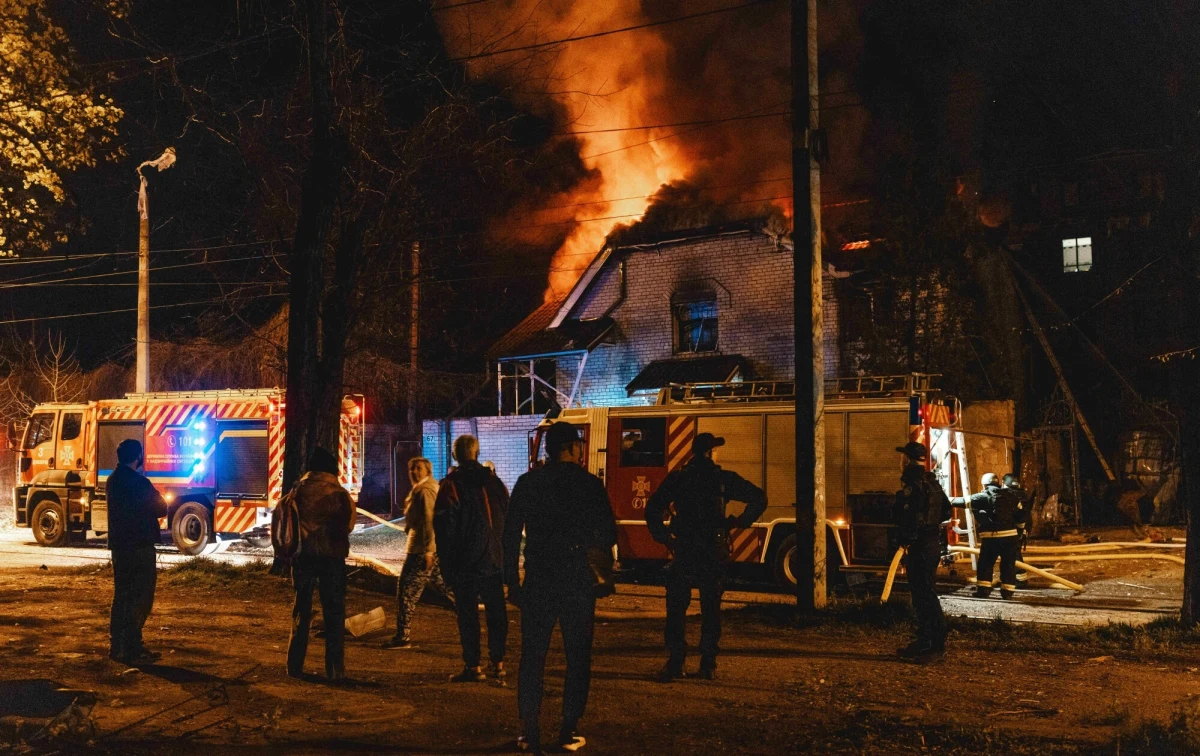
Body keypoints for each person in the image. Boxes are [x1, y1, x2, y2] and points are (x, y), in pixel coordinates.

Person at [505, 421, 617, 754]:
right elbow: (608, 534)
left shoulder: (528, 483)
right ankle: (568, 731)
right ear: (570, 448)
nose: (582, 450)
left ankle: (529, 730)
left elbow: (510, 536)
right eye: (579, 445)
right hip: (577, 579)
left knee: (533, 657)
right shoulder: (589, 485)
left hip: (539, 577)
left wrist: (511, 582)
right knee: (578, 657)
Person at [645, 432, 766, 683]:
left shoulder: (679, 478)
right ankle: (708, 664)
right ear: (711, 453)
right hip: (713, 549)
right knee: (711, 608)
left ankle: (676, 662)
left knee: (677, 607)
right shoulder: (722, 479)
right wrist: (740, 521)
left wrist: (666, 538)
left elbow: (652, 509)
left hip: (685, 549)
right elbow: (759, 497)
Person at [434, 434, 510, 683]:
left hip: (465, 562)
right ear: (477, 453)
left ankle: (473, 666)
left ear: (456, 455)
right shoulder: (495, 483)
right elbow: (507, 519)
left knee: (468, 615)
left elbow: (445, 527)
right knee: (496, 613)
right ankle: (498, 663)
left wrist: (446, 564)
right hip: (493, 559)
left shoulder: (451, 485)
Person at [287, 447, 356, 682]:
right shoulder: (339, 494)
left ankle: (294, 665)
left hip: (303, 557)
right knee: (334, 613)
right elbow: (348, 526)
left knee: (302, 610)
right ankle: (335, 669)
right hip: (332, 558)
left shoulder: (297, 491)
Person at [106, 438, 168, 666]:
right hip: (140, 548)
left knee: (121, 595)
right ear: (137, 457)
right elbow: (162, 507)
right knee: (140, 598)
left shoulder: (112, 481)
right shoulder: (141, 484)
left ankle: (117, 646)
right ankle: (133, 647)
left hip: (120, 548)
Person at [384, 457, 454, 649]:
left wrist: (428, 551)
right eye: (411, 468)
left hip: (421, 551)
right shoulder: (424, 488)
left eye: (419, 468)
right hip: (428, 548)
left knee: (406, 591)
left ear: (427, 471)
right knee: (446, 588)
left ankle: (403, 637)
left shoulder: (425, 491)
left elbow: (429, 521)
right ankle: (471, 615)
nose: (414, 472)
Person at [893, 441, 951, 663]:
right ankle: (925, 642)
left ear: (907, 459)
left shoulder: (914, 484)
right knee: (920, 596)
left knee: (925, 597)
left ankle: (936, 647)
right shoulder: (931, 482)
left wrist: (907, 537)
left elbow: (911, 517)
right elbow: (946, 509)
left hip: (921, 546)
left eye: (902, 458)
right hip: (930, 543)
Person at [953, 473, 1027, 599]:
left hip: (991, 538)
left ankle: (984, 590)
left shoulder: (982, 497)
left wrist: (946, 499)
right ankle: (1007, 593)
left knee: (986, 563)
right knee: (1008, 565)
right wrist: (1020, 532)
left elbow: (961, 501)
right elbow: (1021, 516)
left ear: (984, 485)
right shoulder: (1012, 496)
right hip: (1010, 537)